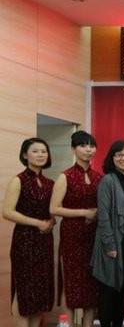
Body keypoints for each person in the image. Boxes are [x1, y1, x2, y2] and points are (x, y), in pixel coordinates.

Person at [49, 131, 102, 327]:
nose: (88, 150)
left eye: (91, 146)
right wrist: (83, 212)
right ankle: (69, 324)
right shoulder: (66, 176)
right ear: (73, 149)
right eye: (83, 145)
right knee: (71, 283)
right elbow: (54, 208)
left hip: (93, 235)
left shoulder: (99, 177)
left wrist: (96, 212)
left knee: (92, 285)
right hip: (72, 236)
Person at [3, 138, 55, 327]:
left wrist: (51, 221)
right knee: (24, 290)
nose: (41, 154)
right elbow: (7, 212)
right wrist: (37, 223)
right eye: (35, 151)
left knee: (40, 292)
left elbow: (52, 211)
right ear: (25, 155)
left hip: (45, 241)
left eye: (44, 151)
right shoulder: (18, 180)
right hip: (24, 241)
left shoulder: (50, 183)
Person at [91, 140, 124, 327]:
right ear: (112, 158)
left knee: (123, 290)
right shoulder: (107, 181)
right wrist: (110, 245)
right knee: (108, 290)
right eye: (119, 155)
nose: (123, 158)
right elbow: (103, 216)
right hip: (110, 245)